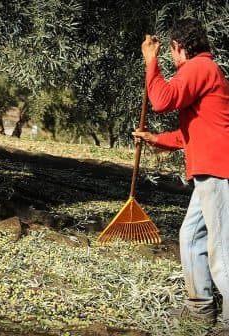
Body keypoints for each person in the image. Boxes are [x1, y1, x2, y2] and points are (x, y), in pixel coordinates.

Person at [135, 17, 229, 335]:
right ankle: (200, 310)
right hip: (209, 172)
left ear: (178, 47)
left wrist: (151, 61)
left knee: (220, 249)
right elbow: (189, 136)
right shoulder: (205, 72)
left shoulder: (200, 68)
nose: (173, 62)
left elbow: (161, 100)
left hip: (219, 172)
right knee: (191, 237)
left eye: (172, 54)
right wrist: (154, 139)